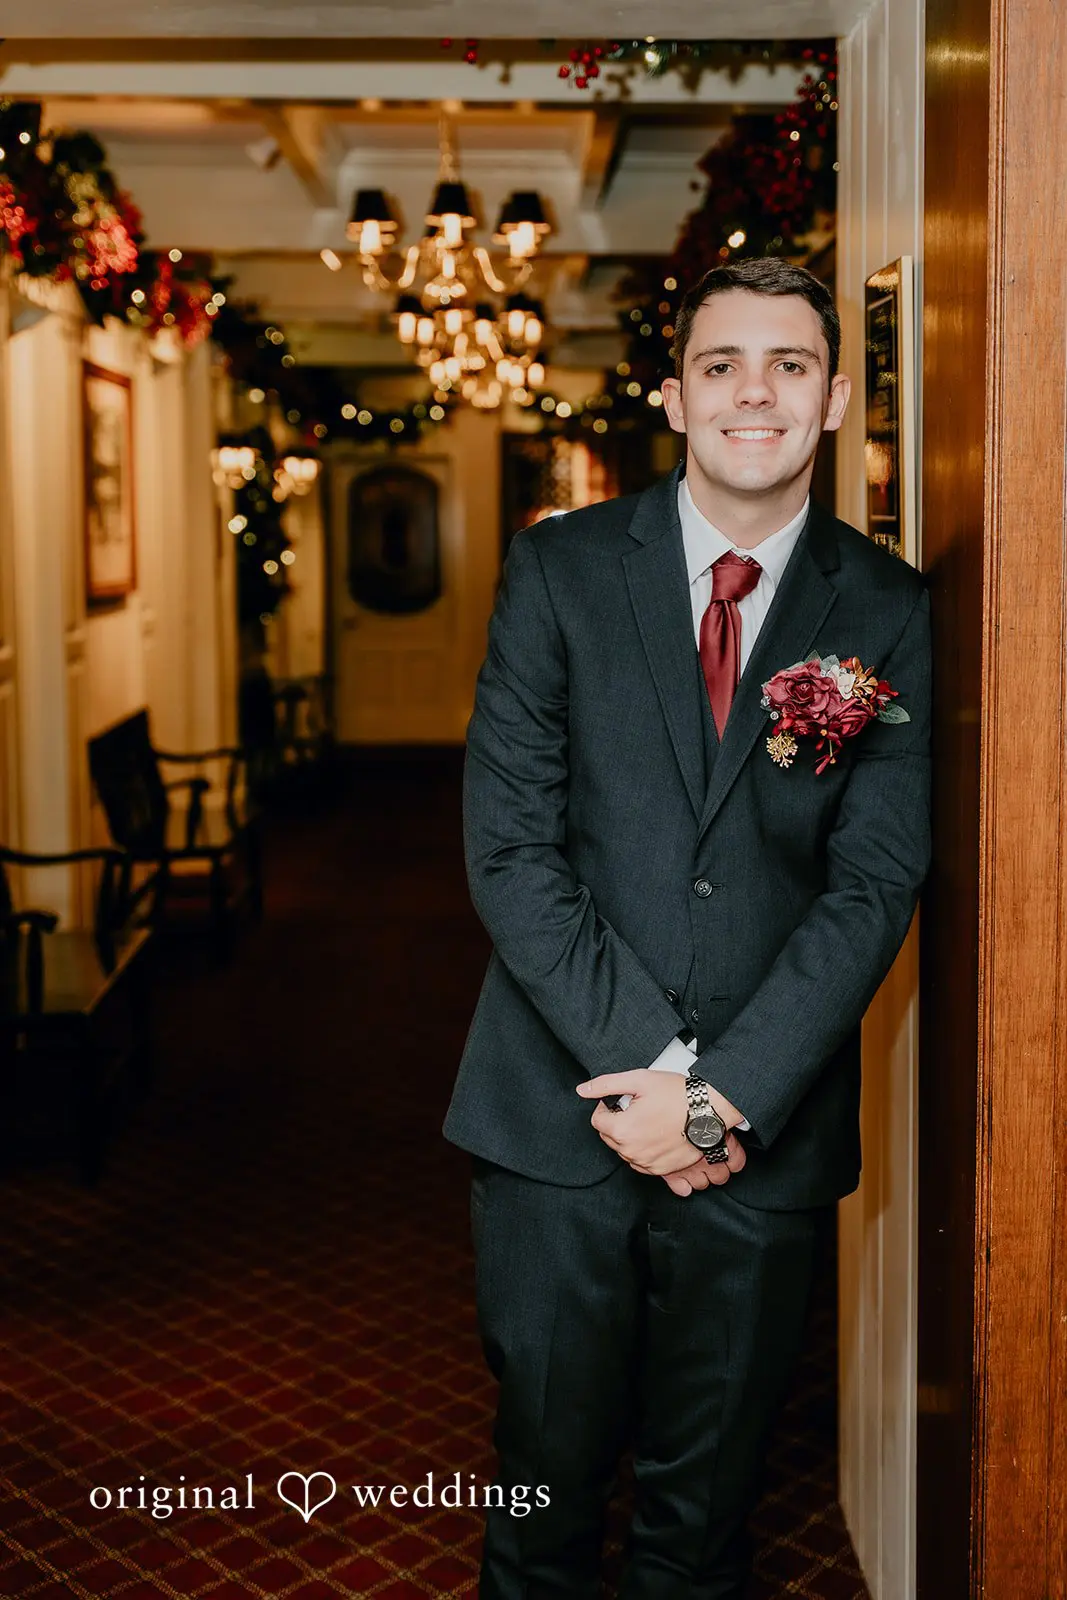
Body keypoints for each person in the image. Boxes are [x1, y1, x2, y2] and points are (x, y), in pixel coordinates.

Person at [444, 257, 931, 1599]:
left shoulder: (888, 608)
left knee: (702, 1524)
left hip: (762, 1145)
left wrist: (723, 1103)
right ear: (672, 396)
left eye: (789, 365)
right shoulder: (557, 569)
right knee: (541, 1510)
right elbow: (510, 849)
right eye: (721, 366)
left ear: (834, 399)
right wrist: (665, 1082)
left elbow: (871, 885)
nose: (753, 394)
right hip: (555, 1122)